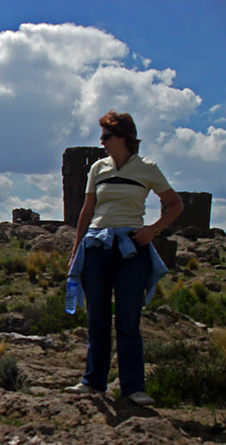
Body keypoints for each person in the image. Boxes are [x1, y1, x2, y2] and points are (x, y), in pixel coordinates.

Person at [65, 110, 184, 406]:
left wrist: (152, 231)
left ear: (124, 137)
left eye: (106, 136)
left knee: (128, 320)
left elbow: (175, 203)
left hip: (132, 248)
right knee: (98, 318)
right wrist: (76, 248)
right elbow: (87, 209)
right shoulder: (97, 168)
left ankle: (133, 388)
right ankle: (93, 382)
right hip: (96, 246)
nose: (102, 142)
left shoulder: (147, 169)